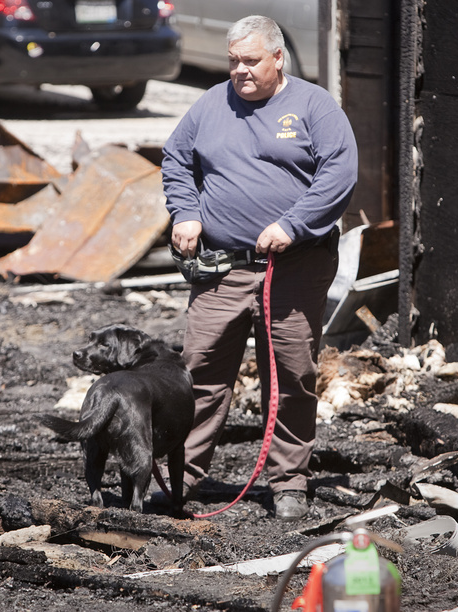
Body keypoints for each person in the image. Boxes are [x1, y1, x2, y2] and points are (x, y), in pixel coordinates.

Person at [159, 15, 358, 520]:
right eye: (233, 61)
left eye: (251, 61)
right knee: (198, 371)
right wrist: (185, 212)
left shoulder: (314, 106)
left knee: (291, 373)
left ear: (277, 58)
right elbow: (177, 159)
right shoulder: (211, 103)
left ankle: (289, 482)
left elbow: (339, 173)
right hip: (223, 268)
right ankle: (182, 476)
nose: (240, 71)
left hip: (292, 266)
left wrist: (294, 224)